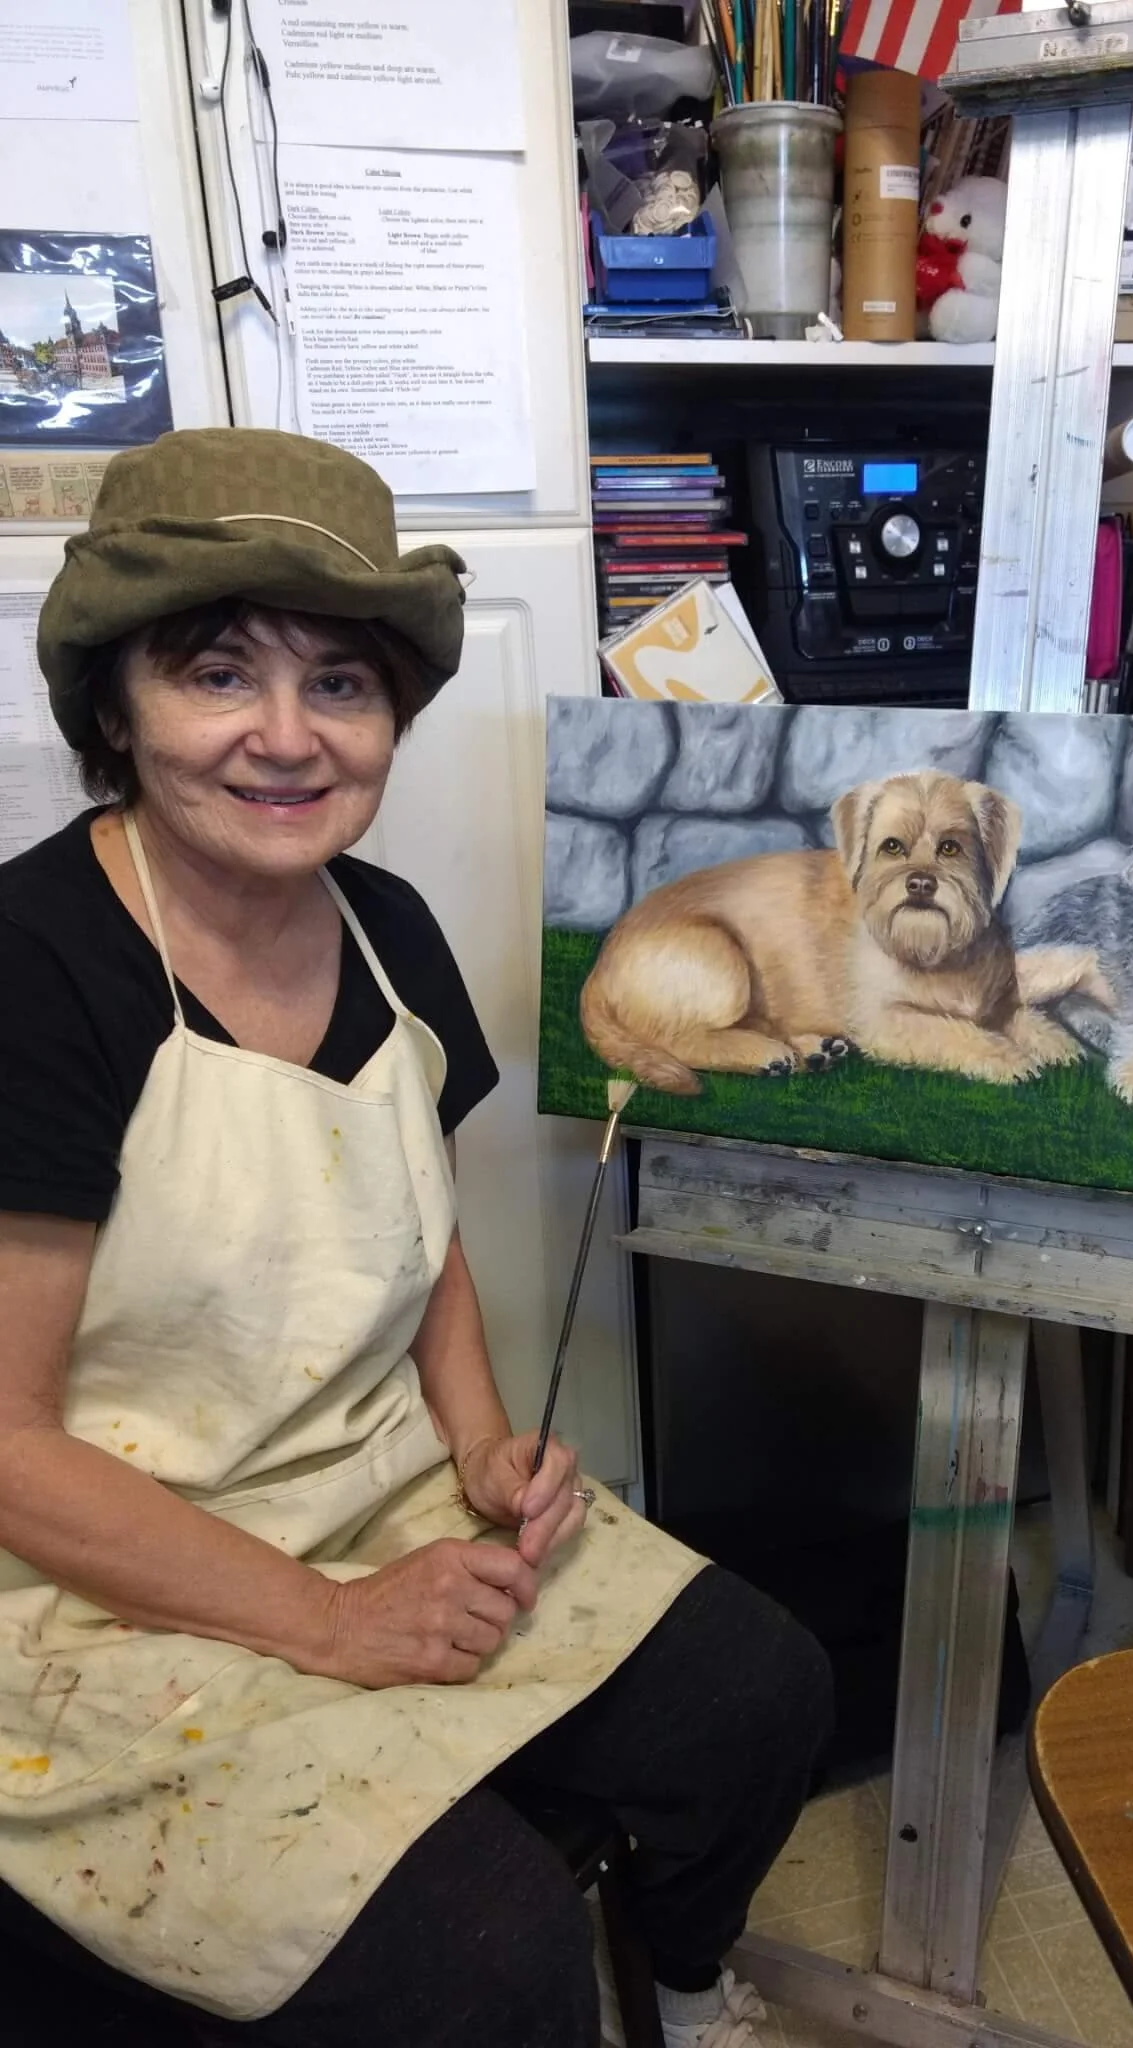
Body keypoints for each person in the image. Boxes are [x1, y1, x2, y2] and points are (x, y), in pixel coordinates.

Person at [0, 428, 832, 2048]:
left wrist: (479, 1442)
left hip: (368, 1490)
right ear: (115, 703)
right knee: (485, 1953)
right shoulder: (36, 972)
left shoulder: (386, 931)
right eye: (219, 673)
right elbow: (8, 1449)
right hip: (100, 1575)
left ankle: (681, 1985)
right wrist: (330, 1625)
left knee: (760, 1690)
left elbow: (416, 1233)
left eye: (343, 685)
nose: (288, 739)